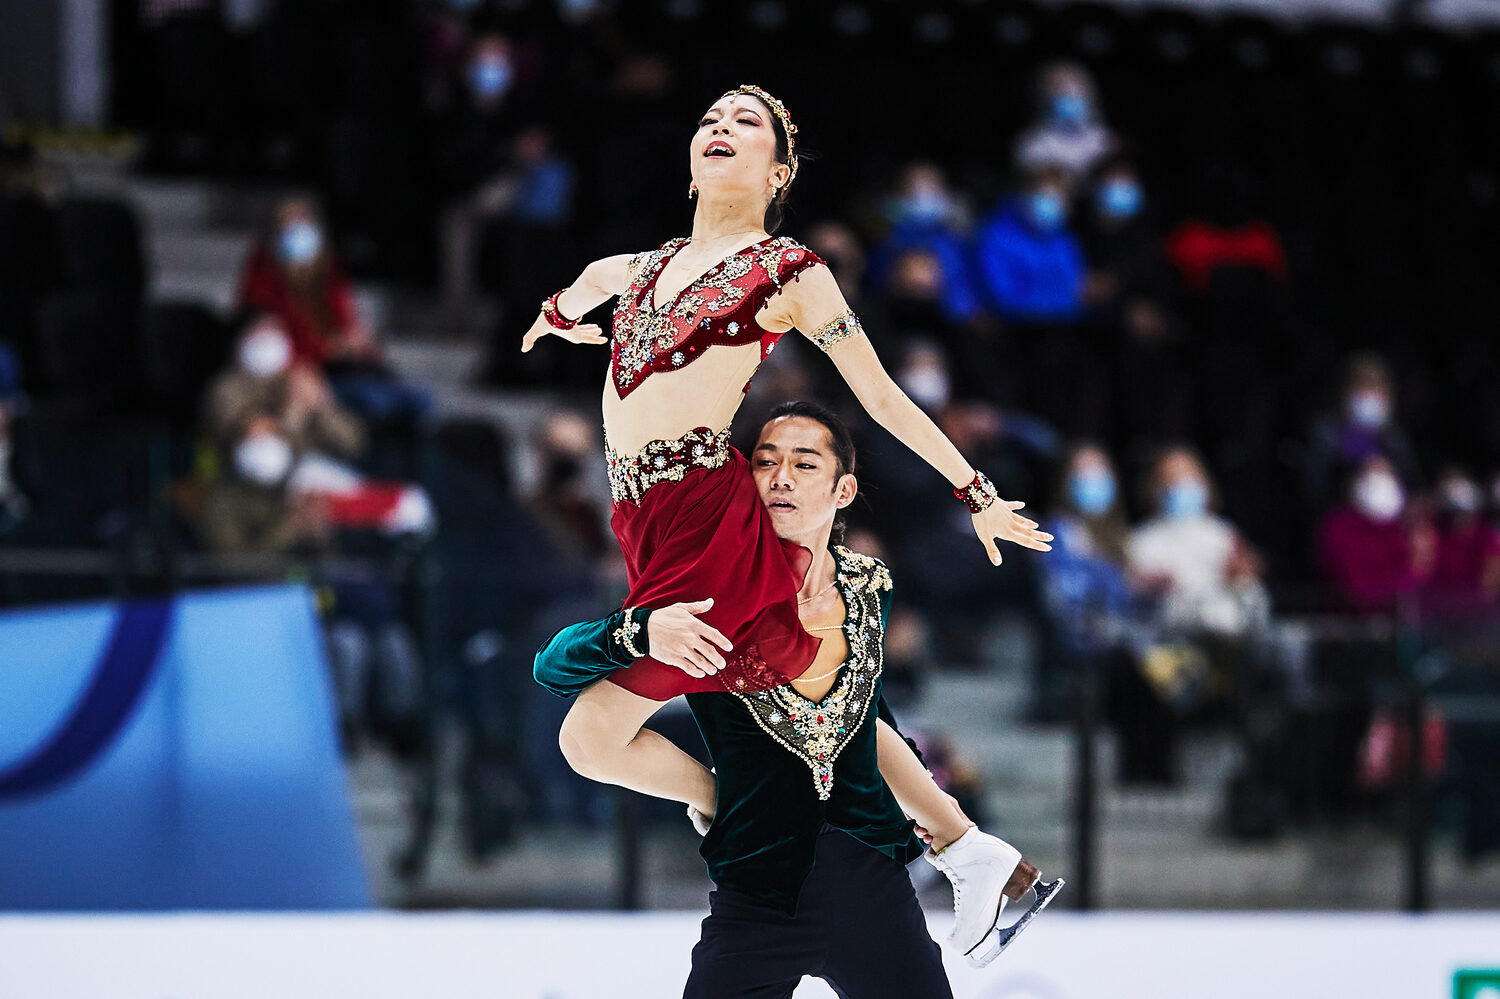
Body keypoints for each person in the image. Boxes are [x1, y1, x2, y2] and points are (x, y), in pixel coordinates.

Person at [519, 85, 1053, 957]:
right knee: (809, 691)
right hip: (644, 524)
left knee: (589, 734)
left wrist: (974, 490)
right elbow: (586, 286)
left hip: (705, 516)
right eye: (708, 120)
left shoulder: (790, 271)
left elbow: (879, 395)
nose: (719, 128)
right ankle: (968, 847)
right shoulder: (636, 270)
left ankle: (721, 804)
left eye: (745, 122)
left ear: (779, 167)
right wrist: (561, 319)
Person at [535, 404, 1061, 994]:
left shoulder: (865, 587)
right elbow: (560, 684)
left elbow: (867, 725)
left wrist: (959, 835)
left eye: (804, 464)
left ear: (844, 490)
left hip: (875, 889)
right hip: (758, 896)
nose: (781, 476)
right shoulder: (711, 591)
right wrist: (640, 632)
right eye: (765, 462)